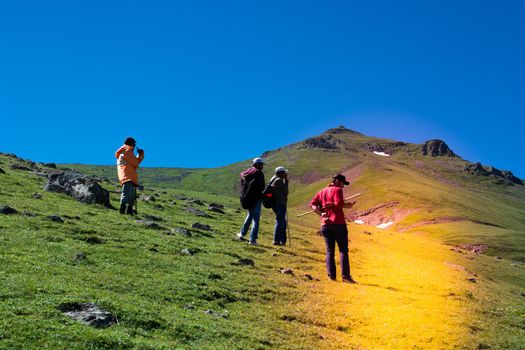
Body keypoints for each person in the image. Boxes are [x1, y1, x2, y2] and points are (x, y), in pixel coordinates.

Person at [309, 174, 357, 283]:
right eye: (343, 183)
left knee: (330, 250)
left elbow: (312, 205)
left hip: (325, 224)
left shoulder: (321, 191)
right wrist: (348, 205)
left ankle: (332, 276)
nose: (343, 186)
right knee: (343, 250)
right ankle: (346, 277)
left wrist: (321, 214)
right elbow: (339, 204)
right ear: (338, 181)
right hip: (338, 223)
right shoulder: (337, 190)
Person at [238, 158, 266, 245]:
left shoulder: (246, 172)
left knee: (249, 215)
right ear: (257, 164)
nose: (262, 166)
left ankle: (242, 234)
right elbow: (261, 187)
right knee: (255, 220)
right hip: (256, 199)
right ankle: (252, 240)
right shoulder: (258, 173)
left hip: (247, 198)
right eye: (261, 164)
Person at [115, 137, 144, 215]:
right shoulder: (127, 150)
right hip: (128, 176)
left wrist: (140, 155)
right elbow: (136, 163)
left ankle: (128, 211)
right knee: (127, 194)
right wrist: (140, 154)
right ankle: (123, 211)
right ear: (131, 143)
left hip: (128, 176)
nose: (134, 145)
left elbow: (135, 162)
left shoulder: (125, 151)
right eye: (134, 143)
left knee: (130, 195)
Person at [270, 166, 289, 245]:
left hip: (277, 203)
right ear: (280, 173)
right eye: (284, 172)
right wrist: (286, 181)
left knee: (282, 222)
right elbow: (286, 192)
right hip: (280, 203)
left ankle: (282, 240)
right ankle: (277, 240)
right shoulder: (279, 181)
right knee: (280, 222)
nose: (285, 174)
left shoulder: (273, 179)